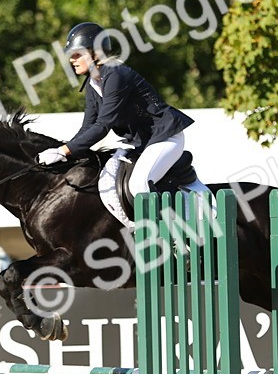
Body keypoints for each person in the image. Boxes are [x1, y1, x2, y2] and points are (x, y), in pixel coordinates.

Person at [36, 22, 208, 228]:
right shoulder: (92, 84)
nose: (72, 60)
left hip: (165, 137)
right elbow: (88, 126)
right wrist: (63, 152)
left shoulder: (115, 74)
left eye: (77, 54)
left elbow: (104, 124)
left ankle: (175, 235)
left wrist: (65, 150)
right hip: (143, 143)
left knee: (138, 185)